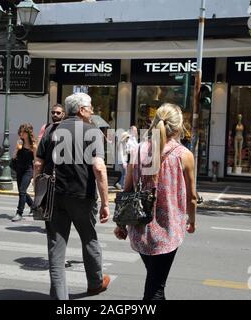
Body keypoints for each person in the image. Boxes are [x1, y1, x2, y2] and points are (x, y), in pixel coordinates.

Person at [114, 103, 197, 300]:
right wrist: (192, 221)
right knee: (155, 289)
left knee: (156, 282)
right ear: (177, 127)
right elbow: (192, 197)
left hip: (140, 229)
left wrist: (121, 224)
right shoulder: (184, 155)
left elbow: (127, 190)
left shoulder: (139, 150)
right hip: (168, 232)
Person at [34, 92, 110, 300]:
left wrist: (37, 191)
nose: (93, 111)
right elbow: (99, 168)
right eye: (91, 107)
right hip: (82, 196)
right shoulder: (92, 132)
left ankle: (60, 298)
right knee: (89, 239)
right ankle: (95, 283)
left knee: (56, 248)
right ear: (82, 110)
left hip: (54, 195)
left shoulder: (51, 130)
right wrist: (105, 202)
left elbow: (38, 163)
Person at [11, 123, 36, 222]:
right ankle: (33, 206)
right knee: (22, 191)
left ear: (28, 133)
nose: (21, 134)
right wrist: (17, 149)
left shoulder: (33, 146)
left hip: (28, 170)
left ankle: (19, 213)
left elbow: (36, 160)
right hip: (19, 169)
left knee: (22, 191)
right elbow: (13, 157)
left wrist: (35, 175)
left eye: (23, 132)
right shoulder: (19, 142)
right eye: (20, 131)